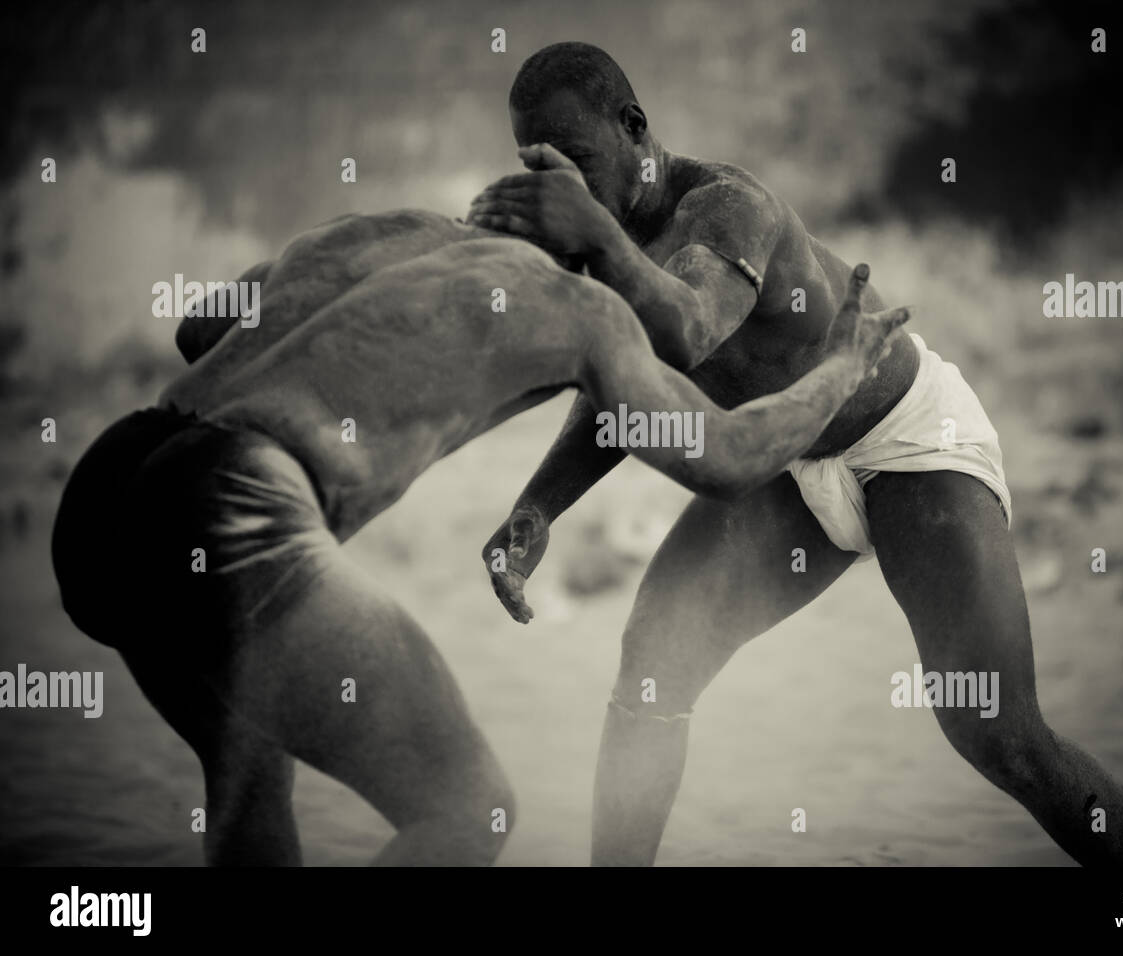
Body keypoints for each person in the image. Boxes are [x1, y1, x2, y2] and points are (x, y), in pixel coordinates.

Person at [471, 42, 1123, 866]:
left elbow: (684, 330)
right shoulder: (603, 241)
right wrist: (535, 509)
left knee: (999, 735)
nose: (565, 185)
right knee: (652, 671)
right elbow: (622, 380)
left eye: (577, 158)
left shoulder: (724, 208)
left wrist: (592, 243)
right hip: (789, 460)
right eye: (545, 167)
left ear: (634, 127)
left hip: (909, 442)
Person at [50, 207, 906, 865]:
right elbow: (726, 460)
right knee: (468, 807)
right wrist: (838, 367)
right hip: (236, 499)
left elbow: (198, 329)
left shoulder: (380, 230)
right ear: (603, 246)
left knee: (247, 756)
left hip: (116, 478)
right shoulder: (582, 308)